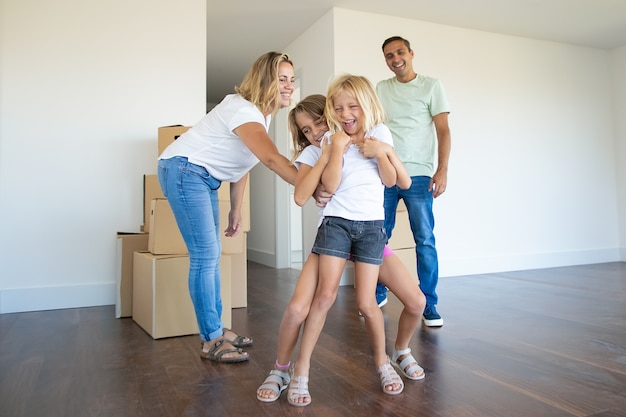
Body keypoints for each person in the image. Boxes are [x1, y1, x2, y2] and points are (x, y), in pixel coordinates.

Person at [255, 94, 426, 405]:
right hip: (333, 238)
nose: (314, 131)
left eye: (318, 122)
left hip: (369, 235)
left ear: (331, 116)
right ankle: (282, 369)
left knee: (416, 302)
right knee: (297, 308)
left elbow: (392, 178)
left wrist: (377, 150)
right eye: (306, 130)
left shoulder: (366, 140)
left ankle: (400, 351)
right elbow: (302, 195)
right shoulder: (313, 152)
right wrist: (326, 154)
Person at [157, 51, 298, 363]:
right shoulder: (242, 109)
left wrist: (237, 209)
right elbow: (272, 159)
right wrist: (308, 185)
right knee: (205, 256)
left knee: (211, 255)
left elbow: (243, 162)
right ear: (265, 81)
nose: (289, 86)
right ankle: (211, 340)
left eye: (291, 79)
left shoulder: (264, 114)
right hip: (184, 170)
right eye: (281, 79)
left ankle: (216, 327)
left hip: (200, 177)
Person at [287, 75, 413, 406]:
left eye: (352, 106)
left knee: (367, 303)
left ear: (366, 105)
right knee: (324, 296)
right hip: (337, 224)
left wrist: (379, 153)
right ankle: (301, 370)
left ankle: (383, 362)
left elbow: (391, 181)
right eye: (338, 108)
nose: (345, 114)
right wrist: (336, 148)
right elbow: (329, 184)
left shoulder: (380, 134)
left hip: (371, 228)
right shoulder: (331, 139)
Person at [376, 36, 452, 327]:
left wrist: (442, 169)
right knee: (377, 236)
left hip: (419, 174)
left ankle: (429, 303)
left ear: (410, 53)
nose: (395, 58)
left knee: (424, 239)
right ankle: (377, 291)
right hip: (386, 171)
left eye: (399, 52)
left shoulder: (431, 86)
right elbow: (373, 126)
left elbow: (443, 130)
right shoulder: (381, 88)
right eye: (388, 55)